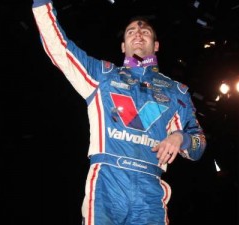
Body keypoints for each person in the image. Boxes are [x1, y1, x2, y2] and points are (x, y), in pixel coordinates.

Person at [32, 0, 207, 224]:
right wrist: (41, 3)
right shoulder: (103, 76)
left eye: (145, 32)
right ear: (123, 46)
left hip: (150, 189)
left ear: (156, 46)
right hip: (107, 181)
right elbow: (60, 49)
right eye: (131, 31)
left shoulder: (176, 92)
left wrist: (180, 137)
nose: (138, 34)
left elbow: (198, 145)